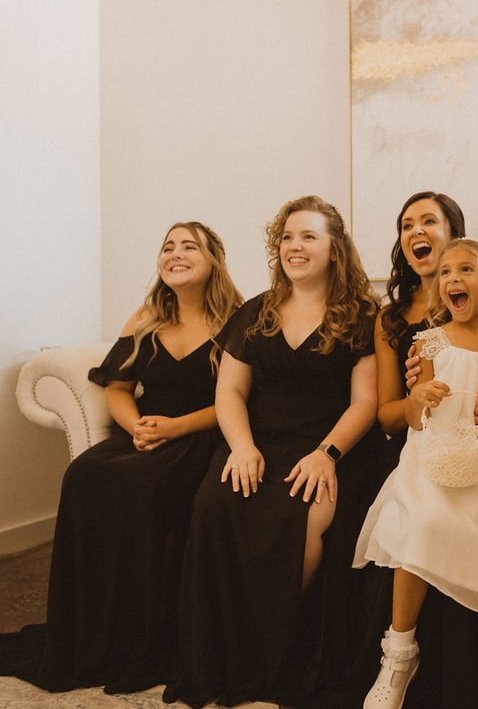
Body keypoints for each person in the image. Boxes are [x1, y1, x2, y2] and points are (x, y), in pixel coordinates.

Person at [0, 222, 243, 694]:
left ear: (213, 260)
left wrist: (175, 427)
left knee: (140, 489)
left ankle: (143, 634)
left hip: (201, 436)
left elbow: (239, 400)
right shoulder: (146, 317)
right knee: (84, 474)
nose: (175, 255)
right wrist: (135, 425)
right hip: (144, 432)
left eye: (189, 247)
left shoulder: (238, 320)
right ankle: (93, 628)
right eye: (167, 247)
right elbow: (118, 387)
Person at [162, 197, 388, 708]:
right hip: (256, 442)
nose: (295, 246)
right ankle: (225, 654)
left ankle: (275, 652)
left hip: (329, 446)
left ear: (334, 248)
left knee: (303, 517)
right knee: (214, 507)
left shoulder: (362, 314)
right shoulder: (255, 311)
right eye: (287, 237)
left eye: (308, 236)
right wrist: (240, 447)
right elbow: (230, 392)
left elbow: (366, 402)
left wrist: (326, 454)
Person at [355, 237, 478, 709]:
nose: (453, 279)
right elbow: (413, 414)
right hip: (438, 454)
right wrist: (418, 401)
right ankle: (398, 654)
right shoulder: (430, 341)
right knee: (421, 524)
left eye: (466, 270)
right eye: (445, 272)